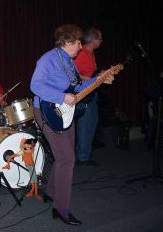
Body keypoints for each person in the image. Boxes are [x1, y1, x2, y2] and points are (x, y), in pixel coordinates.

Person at [30, 24, 114, 226]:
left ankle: (50, 192)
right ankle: (61, 208)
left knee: (65, 156)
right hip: (47, 111)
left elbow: (77, 87)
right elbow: (35, 85)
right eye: (77, 41)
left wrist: (98, 80)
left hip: (65, 112)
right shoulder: (48, 59)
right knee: (67, 159)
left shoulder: (70, 62)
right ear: (67, 42)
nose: (80, 45)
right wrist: (61, 96)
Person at [73, 27, 103, 166]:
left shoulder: (90, 53)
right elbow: (74, 74)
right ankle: (83, 157)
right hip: (83, 93)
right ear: (93, 39)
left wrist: (99, 76)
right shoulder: (82, 53)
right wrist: (94, 80)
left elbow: (88, 75)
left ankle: (84, 153)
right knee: (86, 124)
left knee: (91, 122)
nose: (101, 41)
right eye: (100, 38)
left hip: (91, 92)